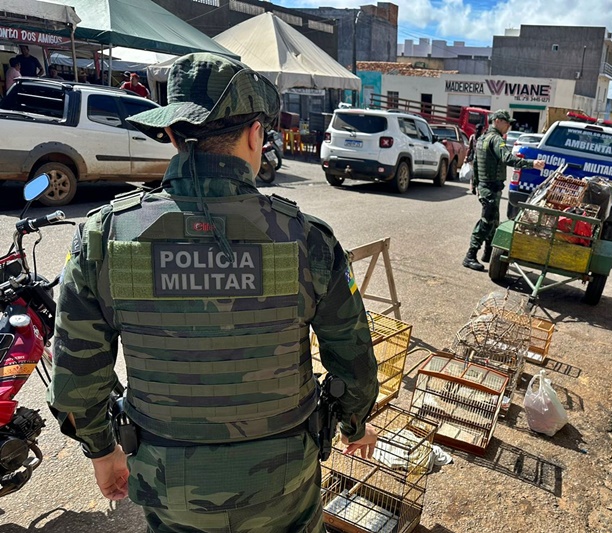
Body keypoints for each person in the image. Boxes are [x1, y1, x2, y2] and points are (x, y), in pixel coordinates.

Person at [47, 52, 379, 533]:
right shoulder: (308, 240)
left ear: (171, 134)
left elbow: (75, 375)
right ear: (254, 135)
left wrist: (103, 452)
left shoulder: (104, 238)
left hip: (168, 481)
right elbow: (353, 357)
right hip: (284, 480)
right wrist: (353, 423)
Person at [463, 110, 546, 271]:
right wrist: (532, 164)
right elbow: (507, 158)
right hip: (490, 188)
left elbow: (478, 164)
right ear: (499, 121)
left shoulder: (483, 138)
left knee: (493, 221)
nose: (509, 126)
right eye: (507, 123)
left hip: (486, 187)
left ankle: (488, 253)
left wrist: (476, 186)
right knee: (487, 222)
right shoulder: (496, 139)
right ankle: (470, 255)